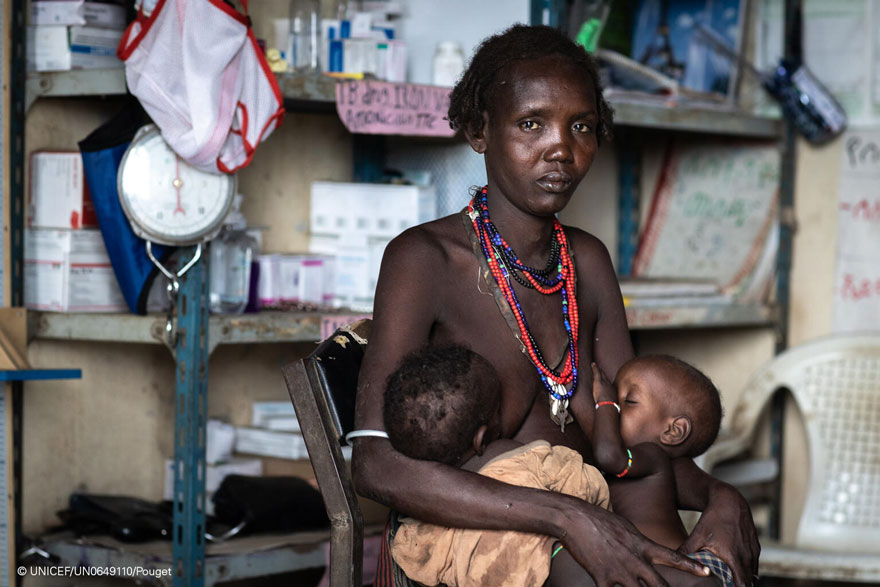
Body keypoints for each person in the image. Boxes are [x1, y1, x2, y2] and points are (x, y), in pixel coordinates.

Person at [352, 23, 759, 587]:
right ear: (479, 130)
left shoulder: (586, 263)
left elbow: (636, 441)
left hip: (590, 516)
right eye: (530, 123)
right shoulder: (424, 261)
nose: (561, 149)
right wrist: (571, 519)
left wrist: (722, 496)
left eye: (582, 127)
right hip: (483, 540)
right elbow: (375, 465)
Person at [383, 344, 618, 586]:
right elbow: (589, 487)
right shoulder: (526, 459)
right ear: (481, 439)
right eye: (498, 409)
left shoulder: (424, 524)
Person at [590, 358, 733, 587]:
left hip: (671, 565)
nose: (615, 408)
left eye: (629, 401)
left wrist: (605, 401)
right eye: (615, 398)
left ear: (673, 431)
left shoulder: (651, 457)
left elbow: (609, 456)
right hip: (658, 563)